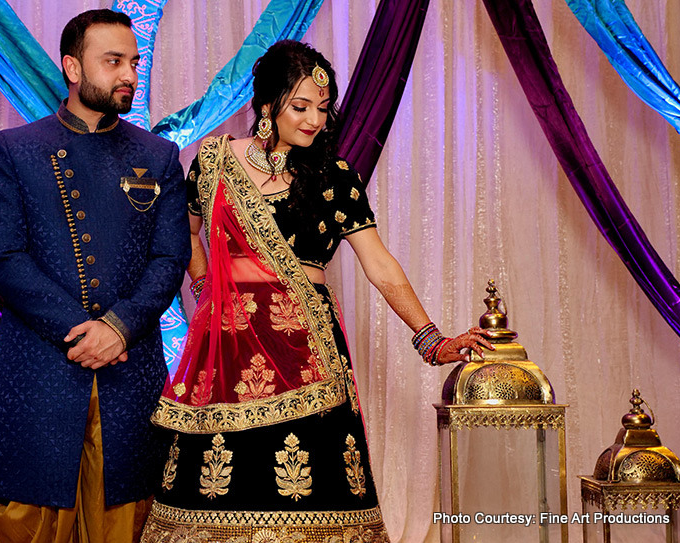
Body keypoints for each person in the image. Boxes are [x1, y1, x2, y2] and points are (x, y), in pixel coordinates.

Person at [140, 40, 492, 543]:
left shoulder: (334, 176)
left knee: (311, 480)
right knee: (225, 479)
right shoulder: (214, 161)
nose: (313, 121)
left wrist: (430, 338)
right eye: (300, 107)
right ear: (267, 105)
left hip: (305, 344)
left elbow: (380, 264)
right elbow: (185, 231)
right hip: (230, 343)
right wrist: (205, 285)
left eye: (322, 110)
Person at [0, 9, 191, 543]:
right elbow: (2, 256)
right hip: (40, 372)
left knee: (126, 524)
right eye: (112, 61)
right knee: (27, 524)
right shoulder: (17, 148)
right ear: (72, 67)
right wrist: (83, 329)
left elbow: (170, 258)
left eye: (133, 62)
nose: (129, 75)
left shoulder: (158, 156)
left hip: (128, 373)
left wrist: (118, 327)